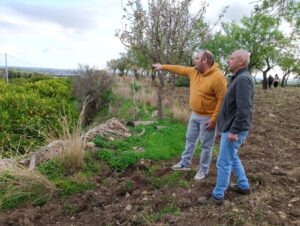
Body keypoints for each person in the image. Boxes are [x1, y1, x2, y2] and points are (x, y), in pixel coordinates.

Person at [152, 50, 227, 181]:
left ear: (205, 61)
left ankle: (203, 170)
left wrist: (214, 119)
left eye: (197, 58)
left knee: (206, 146)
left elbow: (222, 100)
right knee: (190, 139)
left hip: (208, 117)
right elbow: (179, 69)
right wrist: (163, 66)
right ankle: (185, 163)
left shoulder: (218, 77)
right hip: (194, 114)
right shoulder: (194, 71)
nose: (194, 61)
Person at [198, 49, 254, 205]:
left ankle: (217, 196)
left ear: (241, 61)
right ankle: (243, 186)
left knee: (223, 162)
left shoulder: (242, 79)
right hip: (231, 127)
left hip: (234, 129)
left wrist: (234, 131)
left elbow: (244, 109)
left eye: (231, 58)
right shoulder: (239, 77)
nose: (228, 60)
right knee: (233, 157)